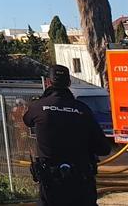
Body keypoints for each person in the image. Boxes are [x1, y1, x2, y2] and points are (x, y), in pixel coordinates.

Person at [23, 65, 111, 206]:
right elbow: (104, 148)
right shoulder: (82, 109)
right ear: (69, 83)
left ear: (48, 82)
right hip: (81, 181)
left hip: (51, 184)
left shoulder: (38, 107)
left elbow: (27, 121)